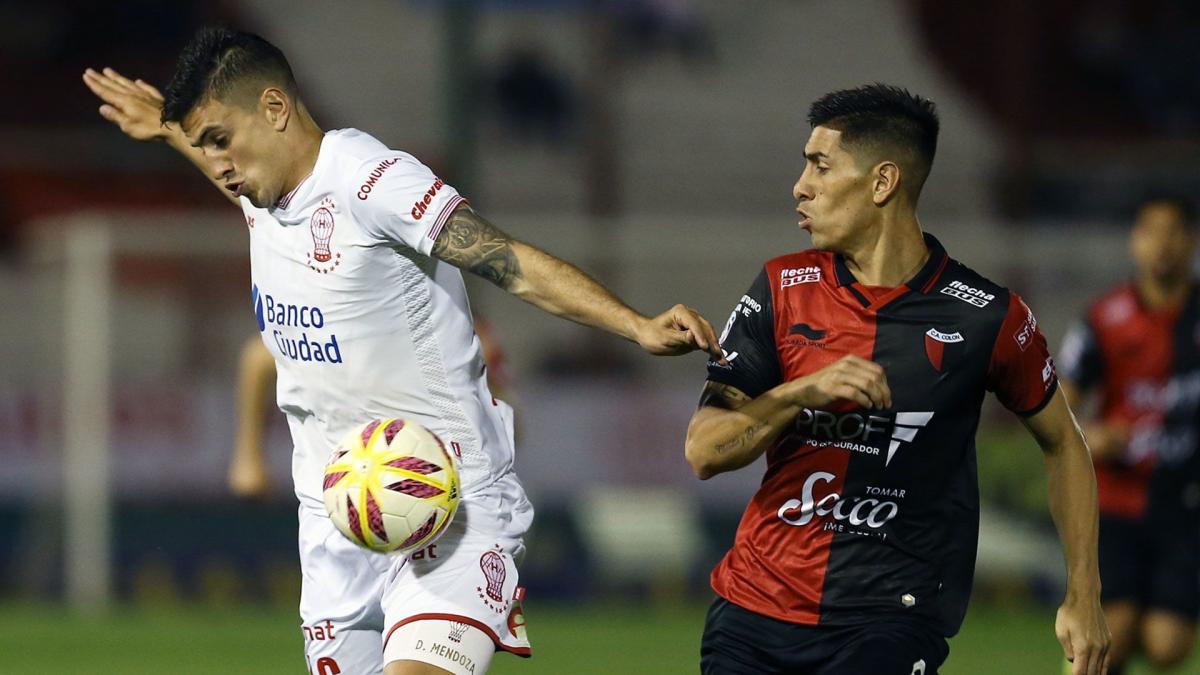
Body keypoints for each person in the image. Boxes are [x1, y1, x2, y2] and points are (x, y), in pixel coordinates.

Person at [83, 27, 721, 675]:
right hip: (337, 517)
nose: (217, 164)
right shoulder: (263, 192)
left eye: (220, 139)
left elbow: (506, 260)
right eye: (203, 147)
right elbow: (239, 183)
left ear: (274, 109)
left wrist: (634, 324)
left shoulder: (371, 181)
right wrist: (170, 132)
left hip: (448, 502)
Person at [683, 84, 1110, 675]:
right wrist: (800, 391)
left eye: (820, 166)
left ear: (883, 183)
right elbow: (704, 452)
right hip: (754, 609)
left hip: (891, 618)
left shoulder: (986, 315)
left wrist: (1083, 595)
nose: (800, 186)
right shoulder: (783, 288)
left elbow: (1065, 444)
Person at [1058, 196, 1200, 675]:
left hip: (1184, 501)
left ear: (1192, 241)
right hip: (1115, 499)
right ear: (1135, 242)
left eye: (1173, 231)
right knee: (1106, 637)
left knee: (1167, 646)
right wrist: (1089, 433)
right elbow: (1056, 401)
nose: (1162, 244)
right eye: (1150, 232)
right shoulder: (1105, 318)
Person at [230, 317, 513, 500]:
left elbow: (513, 426)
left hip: (440, 487)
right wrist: (248, 456)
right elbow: (259, 355)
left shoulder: (467, 333)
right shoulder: (359, 312)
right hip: (342, 482)